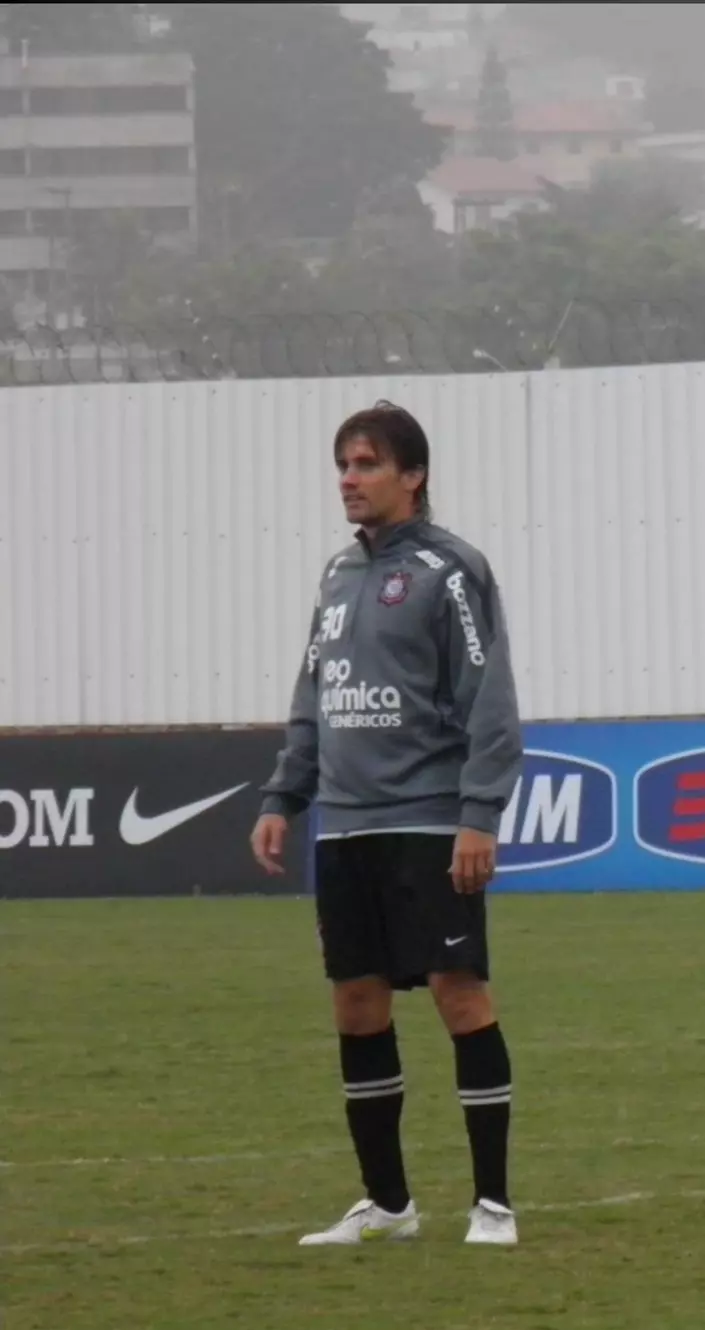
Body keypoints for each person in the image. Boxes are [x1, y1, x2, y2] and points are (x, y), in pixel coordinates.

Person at [251, 401, 524, 1246]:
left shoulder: (451, 571)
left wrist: (478, 814)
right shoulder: (337, 576)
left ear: (414, 476)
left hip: (430, 821)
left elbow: (491, 701)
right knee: (358, 1005)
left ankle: (492, 1205)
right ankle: (390, 1205)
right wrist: (284, 795)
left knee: (459, 996)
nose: (349, 480)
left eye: (366, 464)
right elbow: (316, 697)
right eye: (343, 465)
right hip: (346, 826)